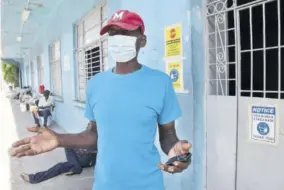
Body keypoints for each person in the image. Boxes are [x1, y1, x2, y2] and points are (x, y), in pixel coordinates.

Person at [11, 10, 192, 190]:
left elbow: (167, 135)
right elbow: (93, 135)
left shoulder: (160, 83)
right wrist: (59, 139)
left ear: (142, 40)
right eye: (113, 33)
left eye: (125, 32)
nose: (118, 38)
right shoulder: (95, 84)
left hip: (148, 184)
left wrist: (176, 152)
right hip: (105, 184)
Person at [21, 147, 97, 184]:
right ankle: (76, 166)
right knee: (67, 145)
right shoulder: (92, 132)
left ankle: (34, 178)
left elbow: (98, 151)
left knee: (60, 166)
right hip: (82, 153)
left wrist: (87, 152)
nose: (88, 125)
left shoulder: (103, 136)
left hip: (88, 159)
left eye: (90, 124)